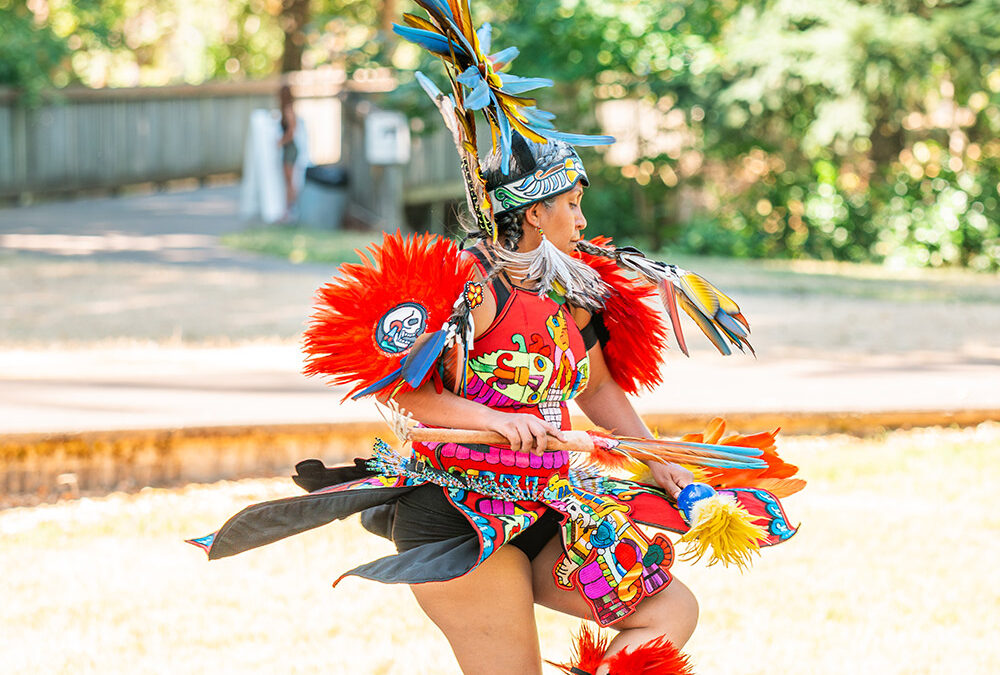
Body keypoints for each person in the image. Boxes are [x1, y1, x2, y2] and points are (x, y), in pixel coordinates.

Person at [190, 3, 801, 673]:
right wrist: (494, 419)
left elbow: (598, 386)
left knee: (668, 611)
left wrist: (658, 460)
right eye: (570, 203)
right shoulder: (471, 289)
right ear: (532, 211)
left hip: (549, 499)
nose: (582, 215)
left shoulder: (579, 289)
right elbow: (411, 402)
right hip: (455, 510)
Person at [276, 84, 298, 222]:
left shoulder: (288, 110)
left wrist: (281, 142)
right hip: (287, 149)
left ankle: (291, 210)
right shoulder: (284, 110)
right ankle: (288, 209)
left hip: (290, 149)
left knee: (289, 181)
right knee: (287, 181)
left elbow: (292, 131)